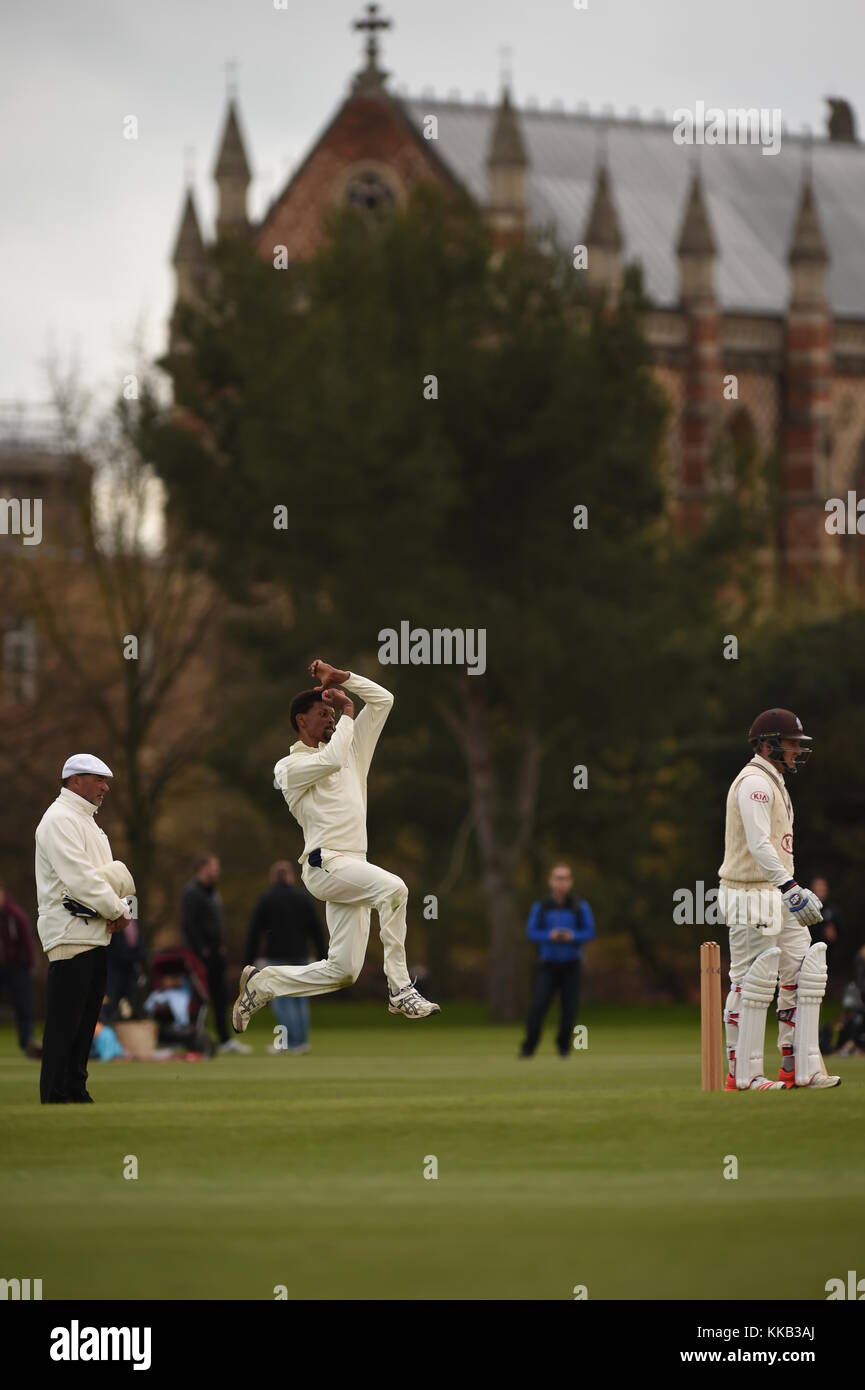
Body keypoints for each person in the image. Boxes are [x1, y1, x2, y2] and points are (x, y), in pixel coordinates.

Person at [232, 659, 438, 1033]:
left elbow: (385, 700)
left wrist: (345, 679)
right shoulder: (288, 768)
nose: (330, 720)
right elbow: (330, 760)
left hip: (353, 866)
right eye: (321, 714)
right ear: (301, 722)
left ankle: (264, 984)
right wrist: (345, 711)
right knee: (395, 889)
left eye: (332, 714)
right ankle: (400, 989)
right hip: (324, 864)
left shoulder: (350, 751)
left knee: (343, 972)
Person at [718, 709, 840, 1091]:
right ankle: (744, 1074)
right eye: (790, 744)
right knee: (753, 980)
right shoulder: (755, 782)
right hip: (750, 891)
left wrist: (788, 888)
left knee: (804, 972)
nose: (795, 751)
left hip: (777, 889)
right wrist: (790, 888)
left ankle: (800, 1066)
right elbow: (758, 845)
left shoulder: (775, 781)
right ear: (767, 744)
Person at [34, 754, 135, 1103]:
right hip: (69, 933)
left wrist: (119, 908)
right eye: (99, 779)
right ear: (75, 780)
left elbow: (103, 881)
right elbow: (81, 881)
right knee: (66, 1021)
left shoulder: (88, 822)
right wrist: (120, 910)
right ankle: (55, 1094)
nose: (106, 787)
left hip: (95, 932)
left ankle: (75, 1089)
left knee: (85, 1019)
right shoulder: (59, 820)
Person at [244, 861, 326, 1054]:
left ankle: (289, 1042)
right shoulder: (303, 898)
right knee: (300, 1000)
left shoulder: (266, 899)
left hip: (277, 957)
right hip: (301, 956)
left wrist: (248, 959)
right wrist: (324, 956)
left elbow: (254, 932)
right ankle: (302, 1041)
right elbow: (317, 929)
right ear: (290, 876)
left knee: (282, 1000)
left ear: (273, 877)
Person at [519, 864, 595, 1058]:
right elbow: (531, 931)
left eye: (565, 878)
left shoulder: (580, 906)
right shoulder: (542, 907)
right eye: (558, 878)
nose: (561, 883)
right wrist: (549, 935)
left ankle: (563, 1047)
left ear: (570, 882)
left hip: (571, 964)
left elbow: (590, 931)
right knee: (538, 1006)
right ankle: (529, 1047)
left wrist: (573, 936)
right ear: (551, 881)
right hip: (548, 964)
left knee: (569, 1008)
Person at [181, 854, 250, 1055]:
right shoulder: (192, 893)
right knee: (199, 999)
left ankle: (224, 1039)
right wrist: (201, 949)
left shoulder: (212, 893)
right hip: (201, 957)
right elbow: (189, 925)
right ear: (202, 867)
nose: (217, 871)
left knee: (221, 999)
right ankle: (193, 1038)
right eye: (214, 867)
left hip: (216, 955)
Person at [0, 880, 40, 1057]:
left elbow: (27, 942)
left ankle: (27, 1042)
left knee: (22, 1005)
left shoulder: (15, 915)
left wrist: (29, 964)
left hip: (17, 966)